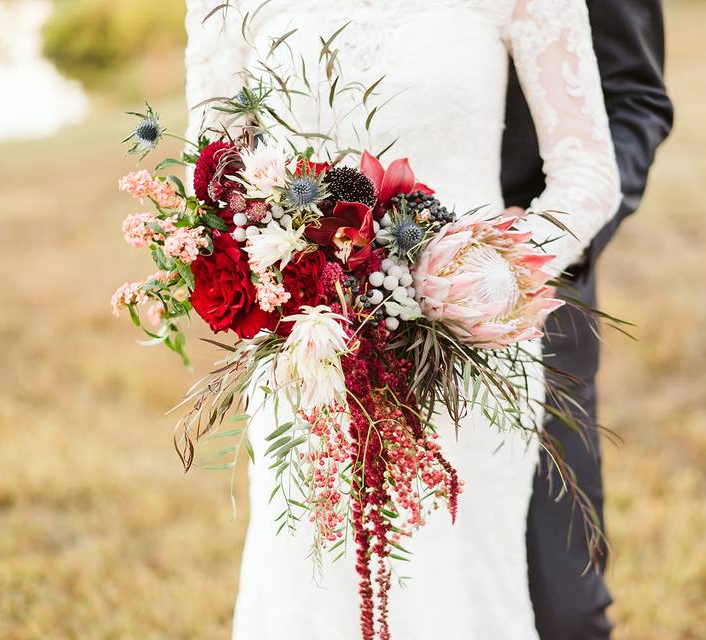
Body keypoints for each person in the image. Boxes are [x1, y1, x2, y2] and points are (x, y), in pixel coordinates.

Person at [185, 1, 625, 637]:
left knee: (467, 595)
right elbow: (215, 171)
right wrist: (278, 273)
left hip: (468, 357)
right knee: (308, 595)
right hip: (307, 357)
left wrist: (490, 274)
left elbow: (589, 172)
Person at [502, 1, 674, 637]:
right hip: (359, 304)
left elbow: (636, 99)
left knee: (560, 600)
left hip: (537, 294)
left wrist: (550, 242)